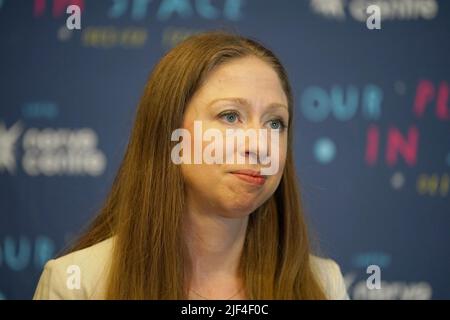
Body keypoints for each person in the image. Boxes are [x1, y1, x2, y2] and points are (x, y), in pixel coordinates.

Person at [33, 31, 349, 300]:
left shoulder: (324, 284)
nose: (260, 146)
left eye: (275, 123)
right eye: (230, 116)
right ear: (170, 134)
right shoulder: (76, 284)